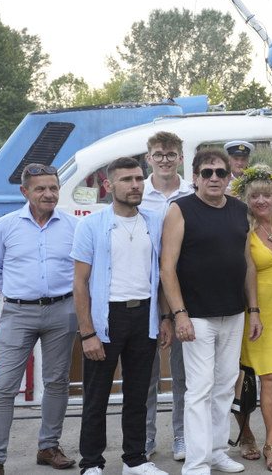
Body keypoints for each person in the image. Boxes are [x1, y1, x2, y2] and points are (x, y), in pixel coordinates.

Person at [160, 148, 262, 475]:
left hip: (234, 313)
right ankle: (196, 462)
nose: (214, 178)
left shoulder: (239, 210)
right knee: (199, 391)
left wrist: (254, 310)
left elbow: (248, 264)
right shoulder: (180, 209)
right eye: (207, 173)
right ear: (195, 177)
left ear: (230, 176)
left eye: (221, 172)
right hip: (196, 316)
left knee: (224, 387)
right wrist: (179, 315)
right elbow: (167, 268)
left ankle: (217, 452)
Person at [72, 157, 169, 475]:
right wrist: (87, 333)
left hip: (144, 315)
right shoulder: (91, 225)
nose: (135, 185)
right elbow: (80, 282)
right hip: (107, 317)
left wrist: (165, 317)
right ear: (108, 185)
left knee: (139, 393)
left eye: (139, 178)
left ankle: (135, 459)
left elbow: (164, 274)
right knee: (96, 396)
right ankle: (91, 463)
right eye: (127, 179)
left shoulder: (155, 221)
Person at [0, 164, 79, 475]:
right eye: (40, 188)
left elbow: (82, 271)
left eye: (53, 188)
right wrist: (22, 294)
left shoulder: (73, 226)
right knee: (3, 387)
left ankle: (48, 446)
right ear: (24, 192)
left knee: (57, 382)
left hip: (62, 311)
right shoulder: (4, 226)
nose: (48, 194)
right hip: (17, 312)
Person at [230, 165, 272, 471]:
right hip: (248, 310)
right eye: (254, 195)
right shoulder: (241, 226)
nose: (262, 200)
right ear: (245, 198)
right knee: (242, 377)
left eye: (268, 194)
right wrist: (252, 310)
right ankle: (246, 436)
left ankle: (271, 444)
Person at [141, 131, 194, 462]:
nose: (164, 159)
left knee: (183, 373)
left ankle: (181, 435)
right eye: (158, 154)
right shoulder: (135, 191)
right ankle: (144, 436)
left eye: (170, 153)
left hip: (181, 291)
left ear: (180, 158)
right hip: (142, 293)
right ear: (149, 158)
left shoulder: (193, 193)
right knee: (143, 373)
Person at [223, 140, 260, 460]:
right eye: (235, 159)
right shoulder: (220, 194)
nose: (239, 163)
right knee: (236, 372)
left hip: (265, 295)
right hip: (229, 294)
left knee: (260, 372)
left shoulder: (259, 188)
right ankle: (242, 434)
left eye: (242, 158)